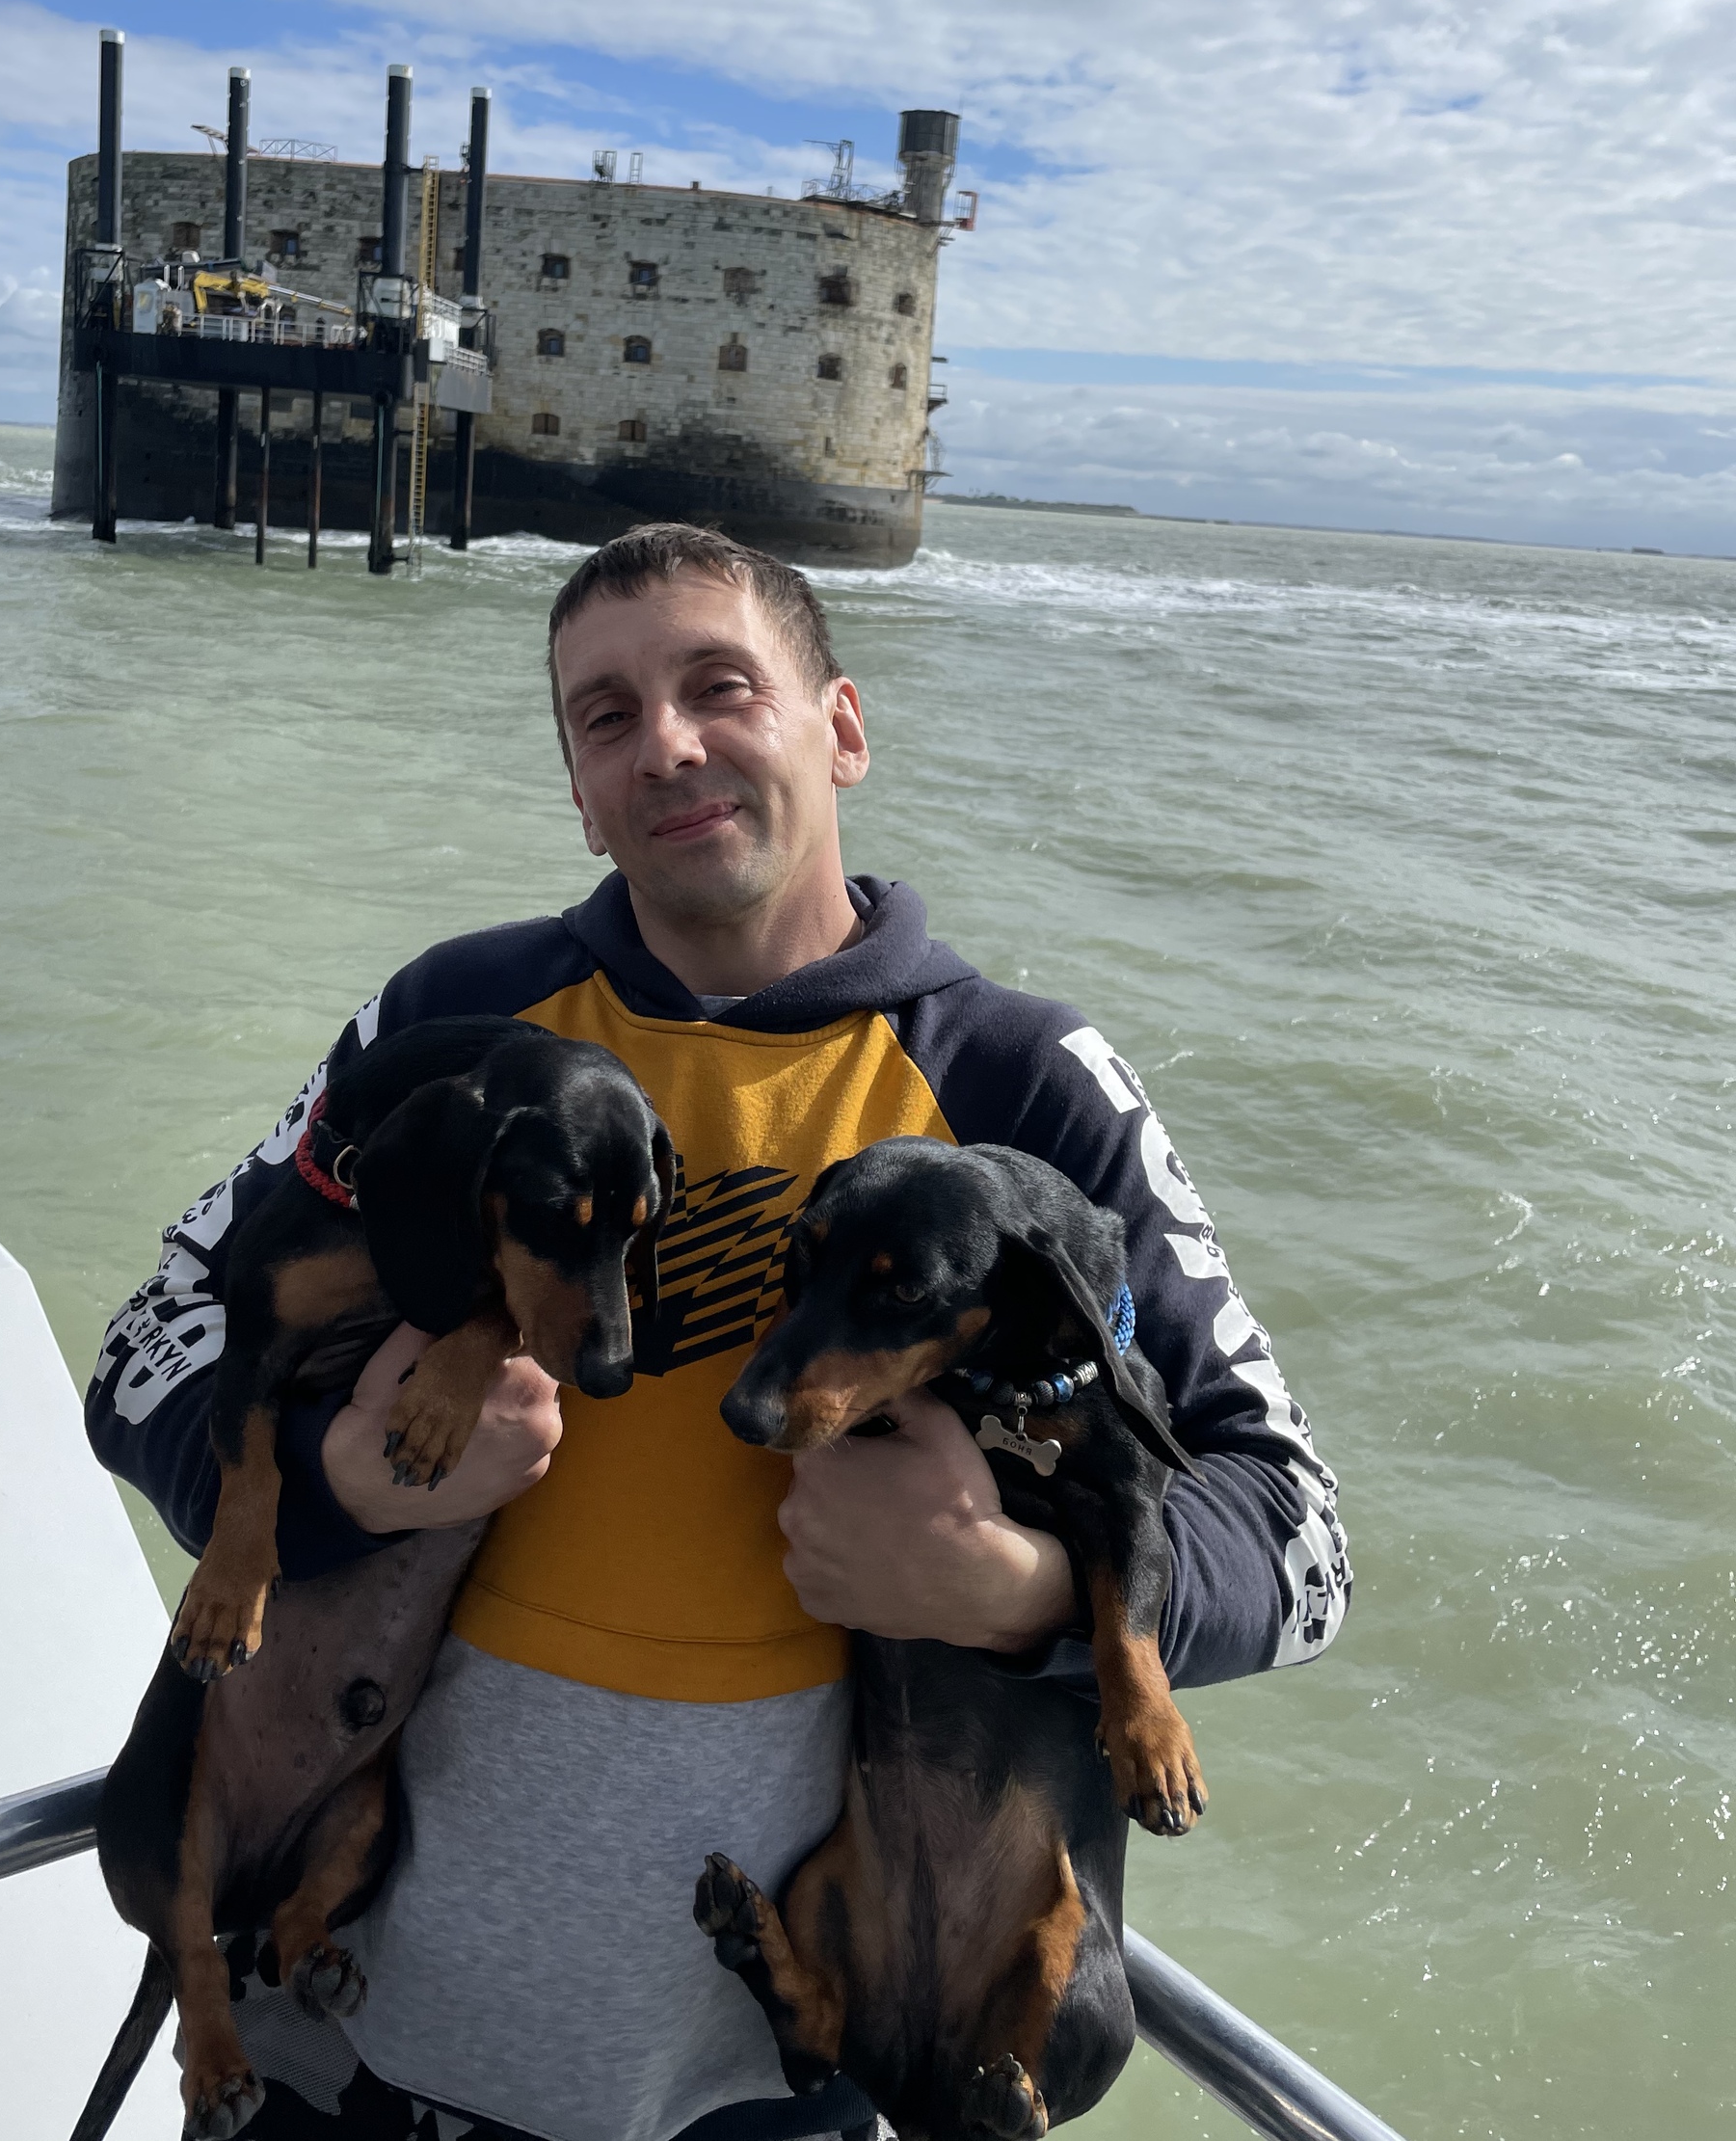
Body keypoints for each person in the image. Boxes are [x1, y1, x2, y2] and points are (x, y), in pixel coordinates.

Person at [87, 522, 1349, 2141]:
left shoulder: (1025, 1086)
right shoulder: (453, 1023)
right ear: (575, 785)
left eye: (719, 686)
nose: (666, 743)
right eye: (604, 716)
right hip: (331, 2029)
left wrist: (1016, 1589)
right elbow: (153, 1339)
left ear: (841, 726)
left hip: (760, 2079)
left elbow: (1297, 1534)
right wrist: (337, 1477)